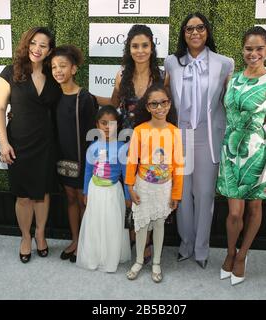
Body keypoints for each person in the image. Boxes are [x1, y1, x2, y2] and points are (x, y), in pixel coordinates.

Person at [216, 26, 266, 285]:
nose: (253, 53)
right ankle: (229, 252)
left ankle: (242, 255)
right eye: (249, 48)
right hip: (231, 150)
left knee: (254, 206)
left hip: (257, 153)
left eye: (259, 48)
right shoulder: (231, 79)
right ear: (242, 49)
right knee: (234, 212)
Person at [164, 13, 234, 269]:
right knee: (181, 194)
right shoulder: (172, 62)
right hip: (180, 136)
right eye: (189, 28)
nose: (195, 32)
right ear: (183, 33)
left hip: (208, 136)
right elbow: (163, 96)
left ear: (207, 31)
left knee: (204, 194)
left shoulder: (225, 63)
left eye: (200, 27)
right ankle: (185, 245)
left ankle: (202, 249)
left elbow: (230, 101)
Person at [96, 24, 169, 264]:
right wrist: (85, 96)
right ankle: (130, 238)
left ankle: (147, 244)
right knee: (131, 190)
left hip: (153, 143)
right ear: (129, 48)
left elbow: (167, 108)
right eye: (135, 46)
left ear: (152, 48)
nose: (140, 50)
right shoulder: (121, 75)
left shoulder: (161, 76)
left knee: (149, 189)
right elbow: (114, 106)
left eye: (145, 45)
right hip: (126, 141)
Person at [0, 27, 62, 263]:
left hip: (46, 143)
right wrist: (4, 142)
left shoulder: (53, 75)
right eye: (34, 43)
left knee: (42, 193)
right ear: (26, 43)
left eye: (43, 45)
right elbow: (0, 109)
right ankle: (25, 237)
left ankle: (40, 234)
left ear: (49, 50)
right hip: (19, 144)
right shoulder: (10, 72)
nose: (37, 49)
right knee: (23, 196)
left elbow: (72, 96)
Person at [125, 84, 183, 283]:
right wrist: (130, 186)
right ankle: (139, 260)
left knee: (159, 224)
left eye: (163, 102)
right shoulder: (140, 131)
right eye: (154, 104)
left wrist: (176, 193)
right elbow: (132, 159)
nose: (160, 107)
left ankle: (156, 261)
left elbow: (178, 165)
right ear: (148, 107)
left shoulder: (175, 132)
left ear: (169, 104)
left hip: (164, 189)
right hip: (144, 187)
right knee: (141, 224)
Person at [50, 45, 98, 263]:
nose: (58, 71)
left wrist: (92, 164)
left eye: (63, 66)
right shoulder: (52, 97)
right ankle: (75, 239)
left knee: (83, 200)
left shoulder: (85, 97)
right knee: (70, 199)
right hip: (62, 158)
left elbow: (93, 134)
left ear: (74, 69)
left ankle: (87, 242)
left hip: (82, 160)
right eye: (53, 67)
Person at [76, 106, 131, 272]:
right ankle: (95, 255)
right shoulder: (92, 147)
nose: (108, 127)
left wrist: (128, 195)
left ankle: (110, 258)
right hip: (95, 190)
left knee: (112, 223)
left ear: (118, 126)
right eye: (103, 123)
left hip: (113, 192)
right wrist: (85, 191)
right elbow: (87, 170)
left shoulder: (122, 147)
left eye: (112, 123)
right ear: (97, 125)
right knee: (95, 222)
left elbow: (125, 173)